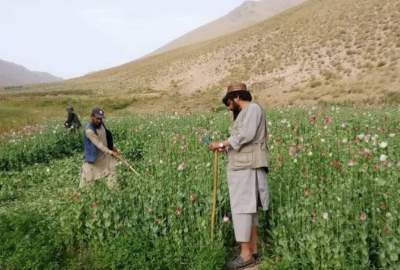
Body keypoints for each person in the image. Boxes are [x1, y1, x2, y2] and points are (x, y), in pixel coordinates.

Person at [208, 83, 270, 270]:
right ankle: (252, 250)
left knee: (243, 209)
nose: (228, 106)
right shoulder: (246, 112)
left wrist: (222, 143)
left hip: (246, 168)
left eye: (228, 101)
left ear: (236, 97)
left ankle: (245, 256)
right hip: (245, 166)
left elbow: (246, 135)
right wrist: (225, 146)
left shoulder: (252, 109)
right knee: (249, 210)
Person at [80, 107, 119, 189]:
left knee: (112, 172)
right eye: (97, 118)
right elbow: (98, 144)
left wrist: (112, 148)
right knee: (88, 180)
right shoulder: (89, 131)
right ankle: (86, 196)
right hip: (93, 158)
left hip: (104, 156)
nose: (100, 121)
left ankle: (114, 193)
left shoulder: (101, 125)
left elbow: (105, 138)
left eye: (101, 119)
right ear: (92, 117)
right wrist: (110, 152)